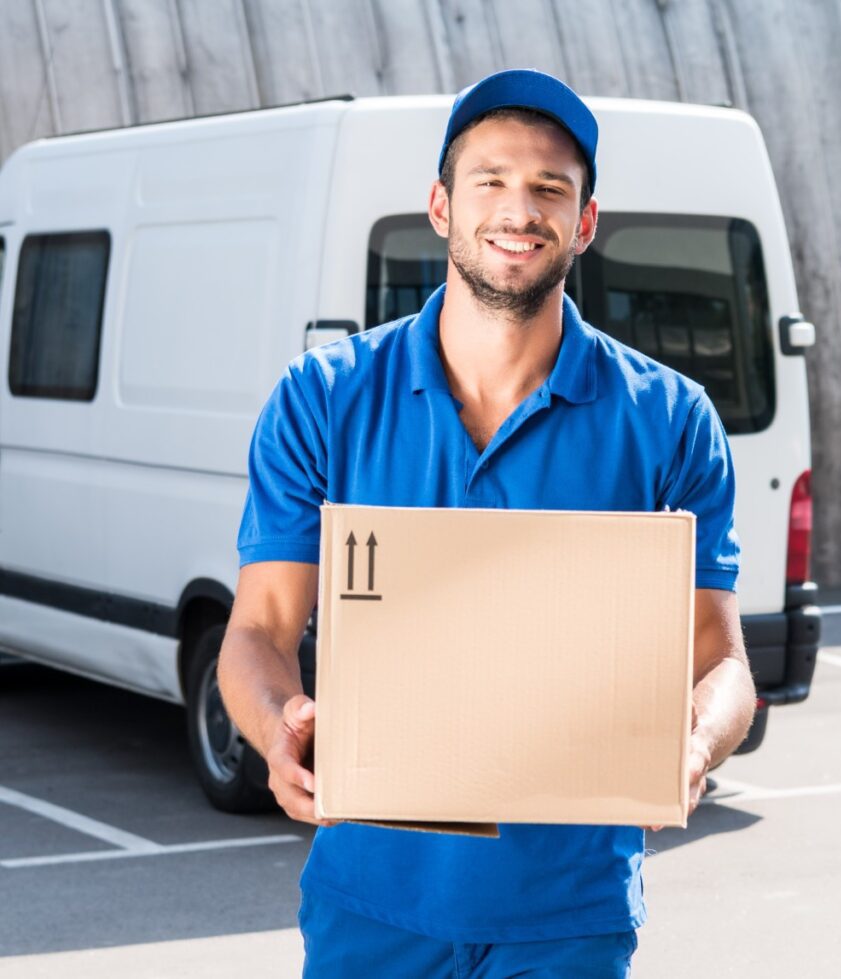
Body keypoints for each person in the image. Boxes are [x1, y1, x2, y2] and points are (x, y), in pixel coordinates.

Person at [219, 68, 756, 978]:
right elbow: (260, 630)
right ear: (440, 205)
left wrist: (697, 742)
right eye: (491, 181)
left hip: (569, 918)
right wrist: (276, 728)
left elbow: (723, 659)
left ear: (585, 222)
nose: (521, 208)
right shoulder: (325, 400)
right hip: (370, 908)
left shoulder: (668, 419)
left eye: (552, 187)